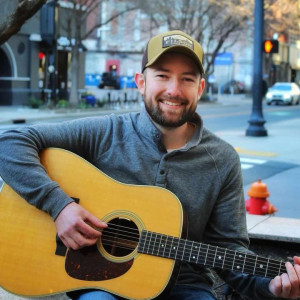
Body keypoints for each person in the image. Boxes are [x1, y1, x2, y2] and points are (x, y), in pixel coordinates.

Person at [0, 30, 299, 300]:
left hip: (187, 285)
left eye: (187, 79)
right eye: (162, 75)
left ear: (201, 87)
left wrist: (269, 286)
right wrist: (60, 206)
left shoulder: (222, 159)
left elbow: (230, 252)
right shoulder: (106, 132)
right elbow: (9, 143)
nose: (174, 90)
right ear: (141, 82)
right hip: (100, 282)